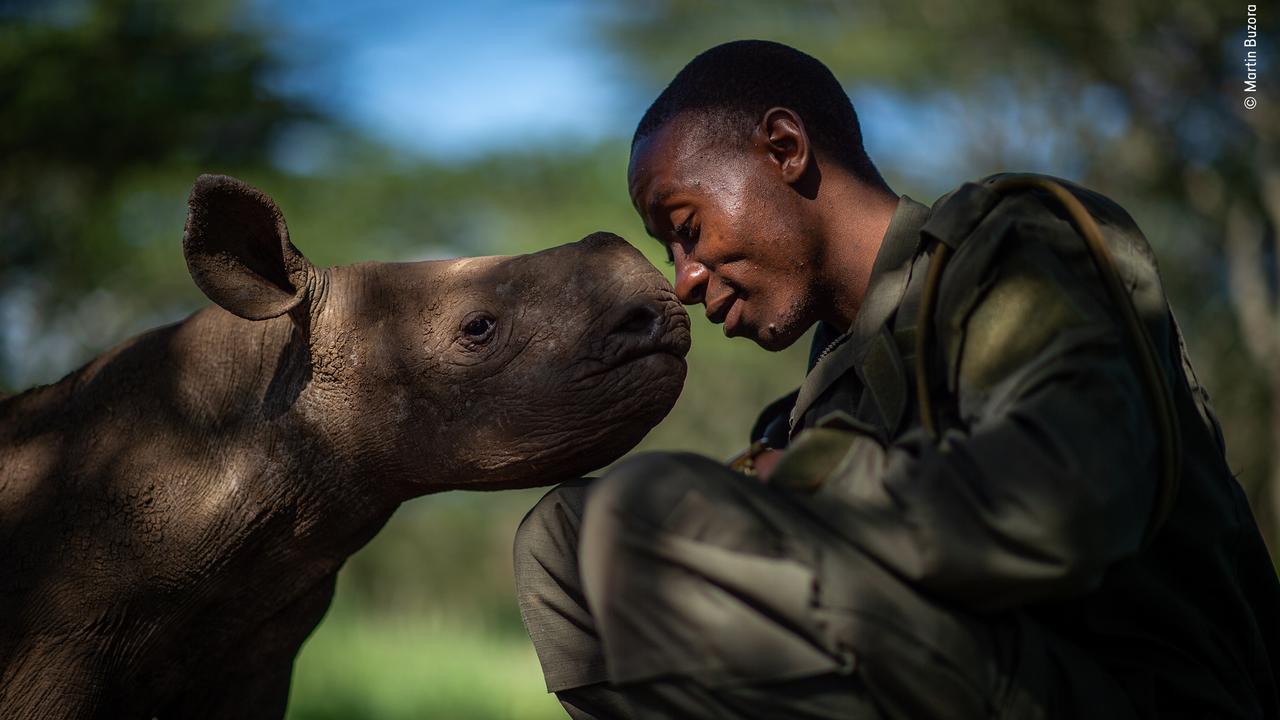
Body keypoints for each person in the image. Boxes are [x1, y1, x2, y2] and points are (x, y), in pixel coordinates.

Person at [513, 40, 1280, 719]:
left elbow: (1068, 505)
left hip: (1127, 691)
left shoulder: (1015, 246)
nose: (682, 279)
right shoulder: (812, 399)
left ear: (784, 147)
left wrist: (812, 481)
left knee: (643, 512)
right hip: (962, 667)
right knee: (560, 539)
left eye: (687, 229)